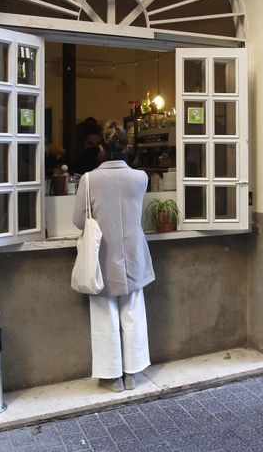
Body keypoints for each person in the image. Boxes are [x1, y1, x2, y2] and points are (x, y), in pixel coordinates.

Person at [72, 119, 155, 392]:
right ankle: (133, 372)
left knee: (104, 315)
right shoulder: (140, 177)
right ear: (127, 145)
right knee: (133, 311)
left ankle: (111, 377)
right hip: (133, 253)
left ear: (102, 147)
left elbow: (78, 221)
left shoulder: (89, 180)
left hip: (102, 255)